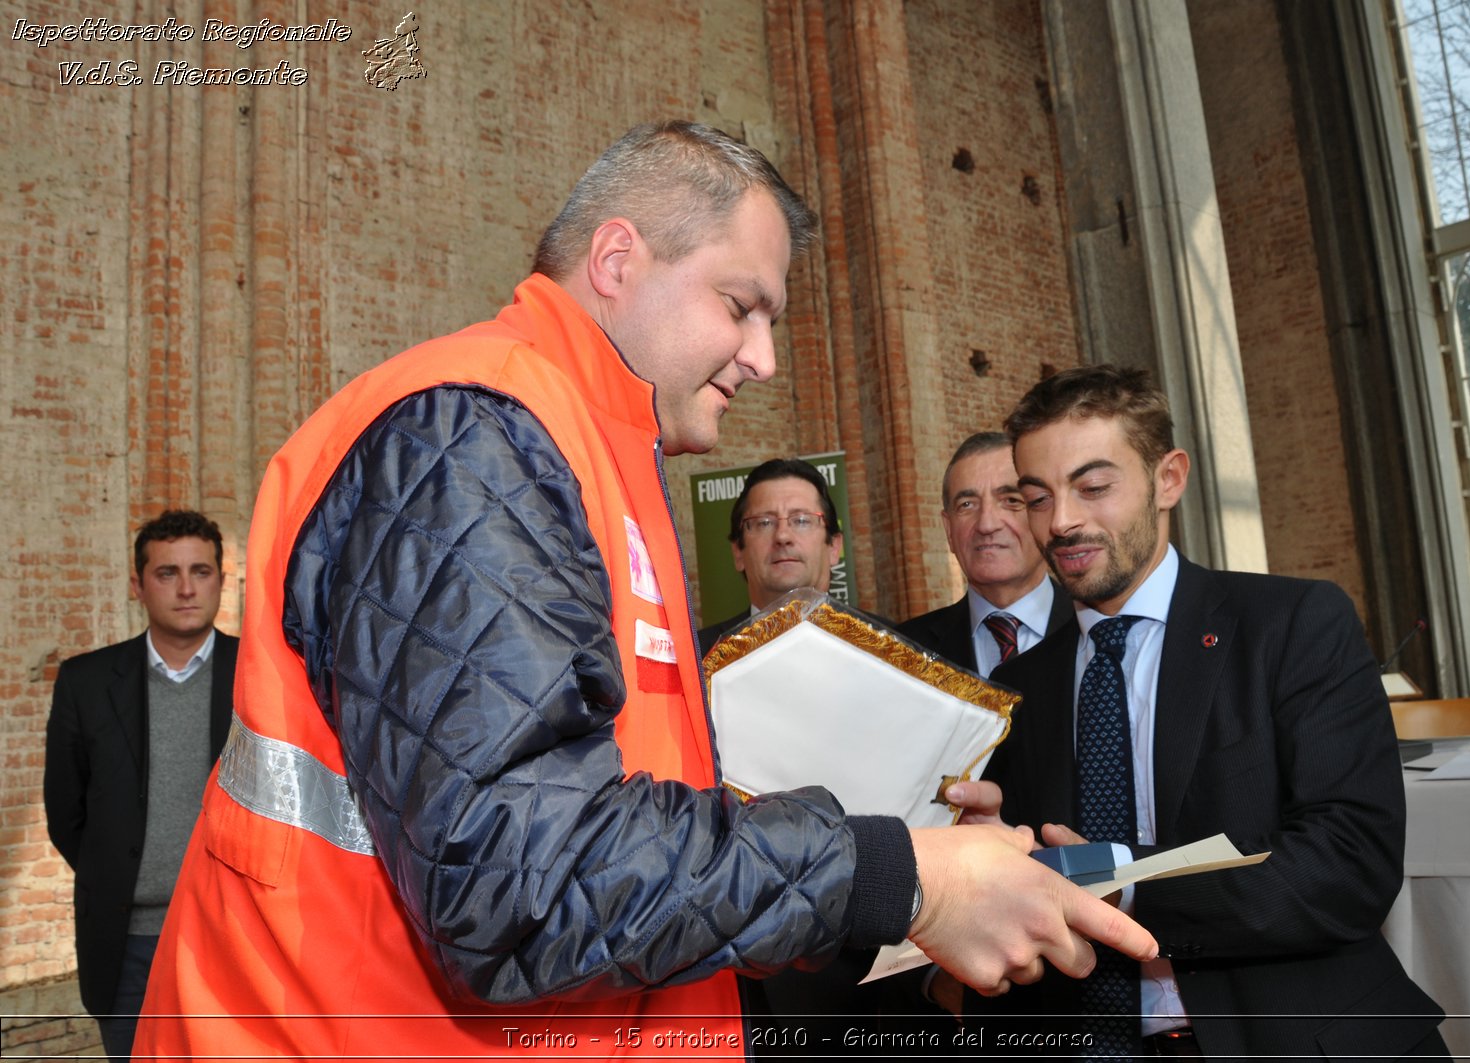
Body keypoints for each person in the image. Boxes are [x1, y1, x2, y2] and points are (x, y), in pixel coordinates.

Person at [132, 121, 1155, 1059]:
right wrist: (897, 876)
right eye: (739, 305)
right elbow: (511, 880)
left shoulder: (592, 448)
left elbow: (598, 805)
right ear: (618, 259)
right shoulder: (473, 436)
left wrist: (907, 842)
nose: (759, 358)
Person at [970, 365, 1449, 1058]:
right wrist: (990, 855)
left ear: (1169, 478)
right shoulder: (1017, 685)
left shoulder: (1291, 624)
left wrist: (1122, 886)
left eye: (1094, 486)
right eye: (1037, 496)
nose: (1062, 520)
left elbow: (1350, 866)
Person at [44, 510, 236, 1063]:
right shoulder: (86, 683)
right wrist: (118, 874)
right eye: (166, 573)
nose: (185, 588)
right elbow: (66, 811)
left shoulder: (256, 675)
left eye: (200, 572)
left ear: (221, 581)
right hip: (127, 941)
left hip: (229, 933)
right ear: (138, 585)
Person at [898, 431, 1070, 677]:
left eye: (1011, 500)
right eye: (967, 505)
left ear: (1043, 512)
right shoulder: (904, 652)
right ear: (948, 529)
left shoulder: (1098, 627)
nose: (987, 524)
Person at [697, 457, 856, 653]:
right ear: (738, 551)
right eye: (764, 522)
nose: (782, 536)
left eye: (802, 520)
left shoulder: (888, 647)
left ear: (834, 547)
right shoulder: (696, 658)